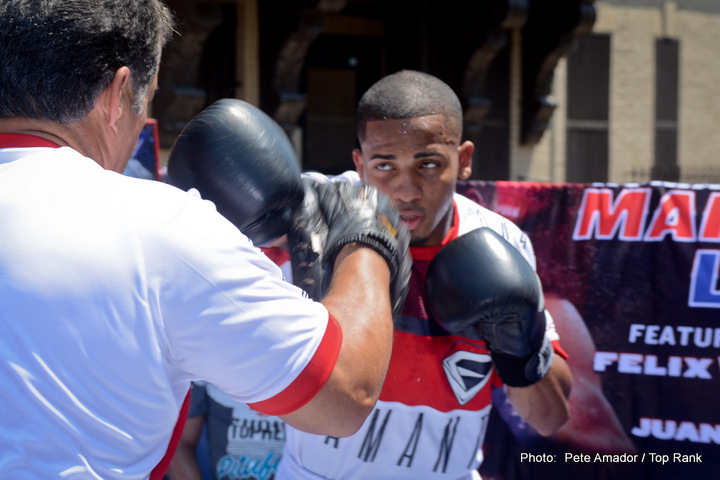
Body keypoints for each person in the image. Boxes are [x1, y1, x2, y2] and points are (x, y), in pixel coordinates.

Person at [0, 2, 410, 479]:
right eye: (145, 99)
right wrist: (369, 232)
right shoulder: (159, 229)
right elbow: (344, 396)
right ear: (117, 94)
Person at [275, 70, 574, 480]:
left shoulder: (503, 242)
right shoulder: (320, 217)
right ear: (359, 165)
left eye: (428, 164)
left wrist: (518, 347)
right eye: (384, 165)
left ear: (463, 160)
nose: (406, 190)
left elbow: (549, 417)